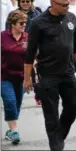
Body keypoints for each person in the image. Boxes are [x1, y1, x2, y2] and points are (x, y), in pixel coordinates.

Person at [23, 0, 76, 151]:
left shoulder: (71, 18)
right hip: (48, 75)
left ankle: (59, 137)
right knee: (51, 115)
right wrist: (27, 78)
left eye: (68, 4)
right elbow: (30, 53)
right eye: (64, 5)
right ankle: (56, 146)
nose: (67, 7)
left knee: (73, 106)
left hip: (68, 72)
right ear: (53, 4)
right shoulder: (38, 22)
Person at [1, 10, 28, 145]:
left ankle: (10, 130)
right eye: (21, 23)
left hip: (21, 77)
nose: (24, 25)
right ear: (12, 23)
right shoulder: (2, 36)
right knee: (10, 101)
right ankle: (14, 131)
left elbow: (34, 56)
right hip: (4, 76)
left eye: (25, 23)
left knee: (16, 106)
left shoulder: (28, 37)